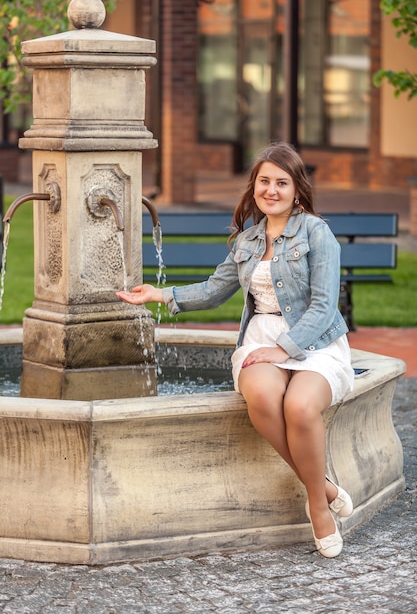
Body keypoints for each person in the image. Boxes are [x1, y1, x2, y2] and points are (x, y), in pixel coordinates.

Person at [116, 141, 355, 558]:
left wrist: (285, 349)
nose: (272, 190)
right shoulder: (247, 240)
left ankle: (316, 502)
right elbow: (213, 290)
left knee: (300, 408)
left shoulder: (318, 233)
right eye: (265, 181)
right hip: (261, 338)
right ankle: (324, 490)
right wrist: (160, 293)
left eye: (282, 182)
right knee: (263, 398)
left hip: (313, 340)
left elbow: (323, 306)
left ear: (297, 189)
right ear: (255, 186)